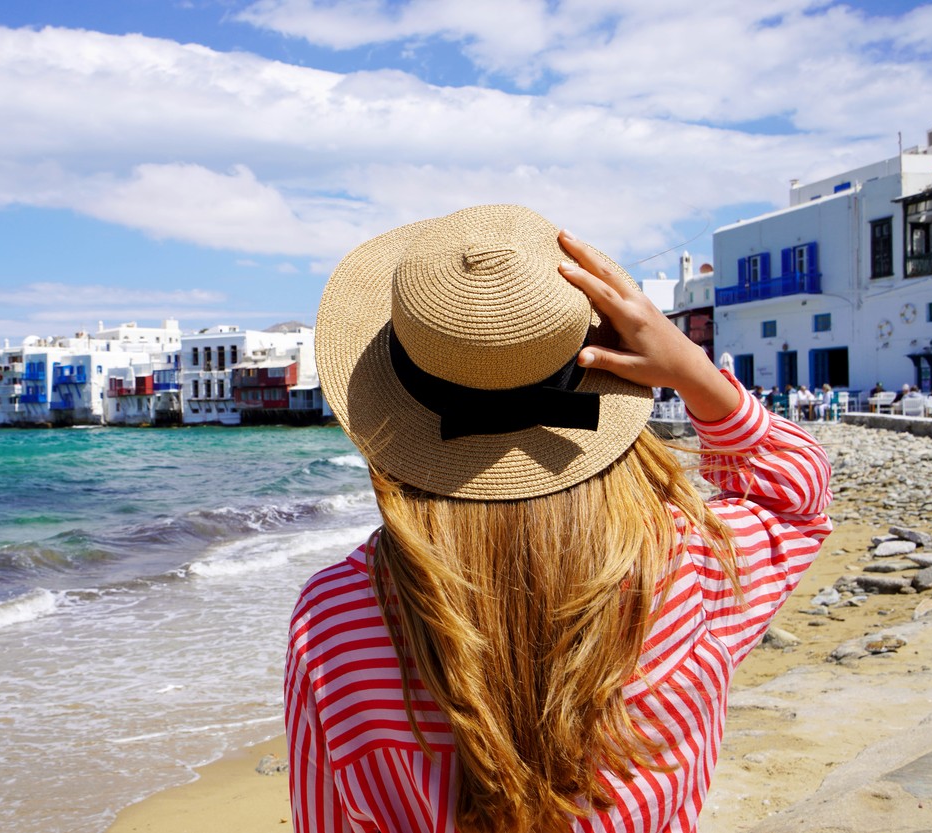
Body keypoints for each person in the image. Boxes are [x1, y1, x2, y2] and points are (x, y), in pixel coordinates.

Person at [287, 205, 832, 833]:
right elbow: (793, 494)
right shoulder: (688, 572)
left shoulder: (332, 618)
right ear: (601, 372)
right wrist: (694, 372)